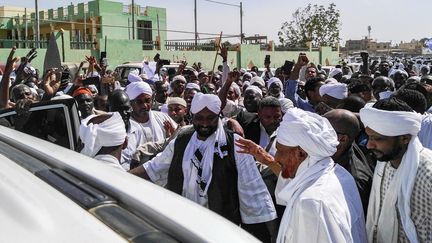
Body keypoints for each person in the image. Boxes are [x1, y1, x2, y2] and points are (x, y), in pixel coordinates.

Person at [129, 93, 277, 240]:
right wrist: (120, 177)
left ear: (218, 116)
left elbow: (252, 191)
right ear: (192, 116)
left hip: (220, 227)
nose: (205, 123)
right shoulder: (182, 140)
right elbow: (153, 168)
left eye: (210, 118)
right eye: (199, 118)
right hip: (184, 221)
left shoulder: (234, 144)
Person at [275, 108, 366, 242]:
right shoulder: (339, 173)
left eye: (280, 151)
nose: (276, 158)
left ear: (300, 153)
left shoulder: (312, 203)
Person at [361, 97, 432, 242]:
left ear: (405, 138)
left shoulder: (427, 174)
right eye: (369, 137)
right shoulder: (384, 162)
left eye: (377, 139)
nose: (369, 145)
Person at [323, 109, 373, 216]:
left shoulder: (353, 180)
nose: (317, 134)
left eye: (323, 130)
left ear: (342, 139)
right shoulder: (342, 148)